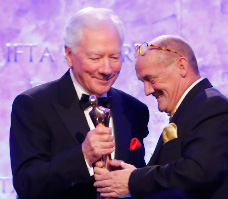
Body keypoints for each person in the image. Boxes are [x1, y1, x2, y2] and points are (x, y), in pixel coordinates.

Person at [9, 7, 149, 199]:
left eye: (115, 57)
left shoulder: (135, 110)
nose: (107, 69)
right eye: (95, 58)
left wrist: (134, 180)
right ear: (68, 54)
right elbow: (26, 184)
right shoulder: (33, 105)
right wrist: (83, 157)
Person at [94, 35, 228, 199]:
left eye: (151, 79)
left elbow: (198, 172)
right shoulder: (192, 108)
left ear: (181, 66)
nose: (147, 91)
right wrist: (128, 176)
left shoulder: (213, 107)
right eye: (142, 82)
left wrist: (134, 180)